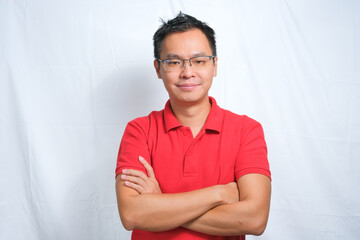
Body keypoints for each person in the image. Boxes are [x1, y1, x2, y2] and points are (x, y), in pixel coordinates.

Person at [115, 12, 271, 240]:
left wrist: (160, 204)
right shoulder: (139, 130)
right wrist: (220, 193)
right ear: (158, 69)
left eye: (199, 61)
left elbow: (254, 219)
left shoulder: (246, 130)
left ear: (214, 65)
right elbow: (132, 215)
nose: (188, 73)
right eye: (174, 62)